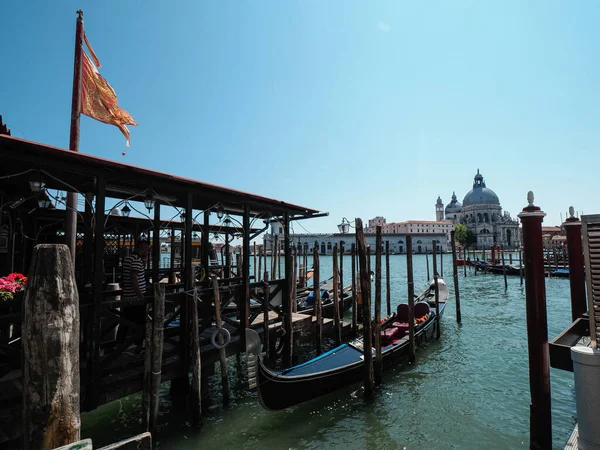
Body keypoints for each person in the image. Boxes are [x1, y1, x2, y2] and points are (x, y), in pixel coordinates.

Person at [117, 240, 150, 350]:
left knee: (126, 322)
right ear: (143, 248)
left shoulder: (129, 258)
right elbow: (134, 279)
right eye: (147, 249)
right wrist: (140, 296)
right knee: (139, 322)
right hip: (135, 297)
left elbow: (138, 273)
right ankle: (138, 346)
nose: (148, 251)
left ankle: (120, 344)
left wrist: (144, 261)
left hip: (127, 295)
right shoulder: (136, 260)